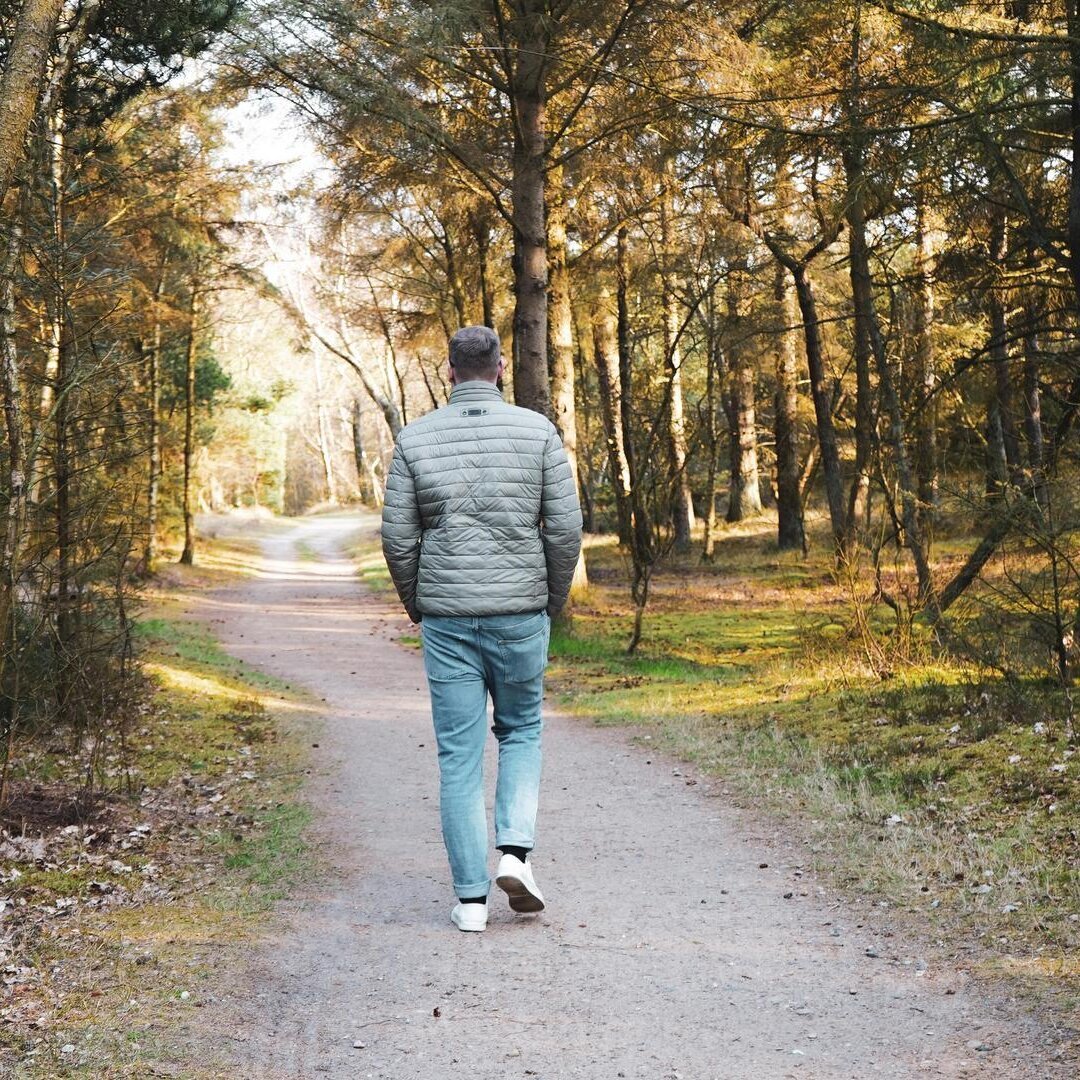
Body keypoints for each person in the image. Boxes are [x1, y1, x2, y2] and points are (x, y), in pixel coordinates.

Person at [380, 325, 583, 932]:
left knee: (458, 756)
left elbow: (397, 537)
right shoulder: (538, 432)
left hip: (447, 621)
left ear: (448, 372)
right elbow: (565, 529)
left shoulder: (414, 440)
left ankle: (470, 901)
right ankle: (514, 855)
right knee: (521, 731)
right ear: (499, 370)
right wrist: (547, 597)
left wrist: (421, 603)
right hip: (520, 612)